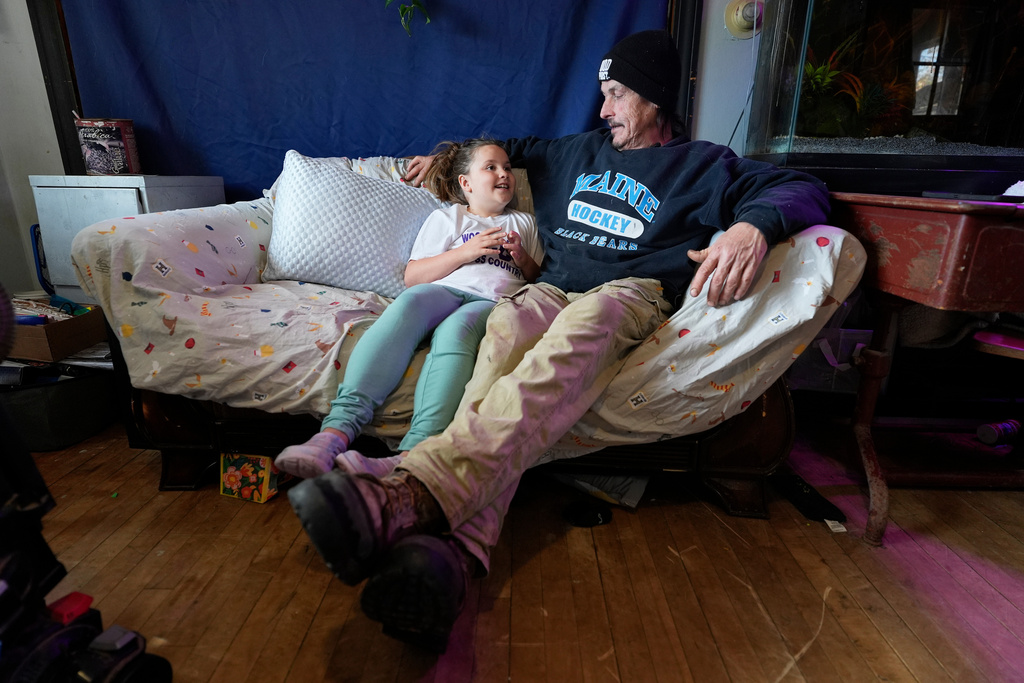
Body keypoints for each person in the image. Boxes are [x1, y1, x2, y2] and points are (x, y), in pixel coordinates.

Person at [287, 29, 831, 652]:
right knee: (502, 340)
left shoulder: (705, 165)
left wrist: (752, 227)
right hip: (547, 288)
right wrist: (438, 160)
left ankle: (413, 490)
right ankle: (457, 555)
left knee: (574, 337)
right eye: (603, 94)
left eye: (617, 95)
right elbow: (498, 152)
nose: (603, 109)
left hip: (628, 292)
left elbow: (804, 187)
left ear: (655, 98)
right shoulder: (573, 152)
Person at [275, 138, 543, 480]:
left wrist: (521, 257)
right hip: (444, 289)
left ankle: (414, 453)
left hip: (489, 302)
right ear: (466, 183)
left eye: (507, 167)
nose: (504, 173)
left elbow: (534, 275)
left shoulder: (524, 223)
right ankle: (333, 434)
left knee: (455, 333)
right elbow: (414, 277)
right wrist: (468, 251)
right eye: (491, 167)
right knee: (409, 304)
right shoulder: (448, 218)